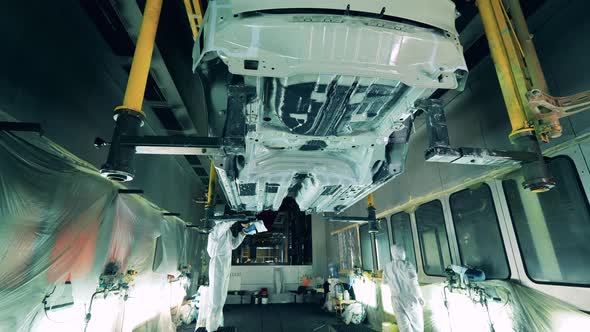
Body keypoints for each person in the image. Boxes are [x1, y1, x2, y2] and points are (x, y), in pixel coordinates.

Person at [203, 221, 247, 332]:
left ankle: (217, 325)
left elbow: (233, 244)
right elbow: (224, 224)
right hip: (217, 265)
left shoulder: (227, 232)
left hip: (226, 265)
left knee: (221, 298)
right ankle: (211, 328)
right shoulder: (216, 230)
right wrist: (236, 218)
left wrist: (244, 232)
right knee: (215, 300)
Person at [383, 245, 424, 332]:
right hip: (410, 299)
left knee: (404, 328)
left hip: (395, 300)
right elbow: (414, 283)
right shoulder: (407, 265)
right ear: (401, 253)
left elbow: (384, 282)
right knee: (417, 327)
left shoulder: (387, 267)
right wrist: (420, 297)